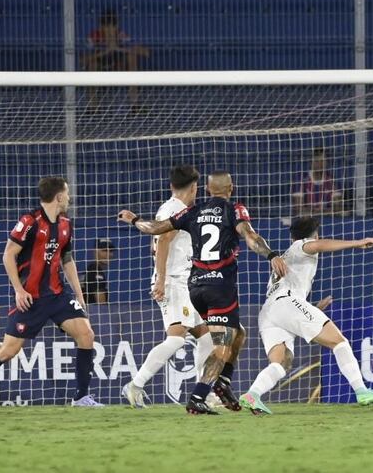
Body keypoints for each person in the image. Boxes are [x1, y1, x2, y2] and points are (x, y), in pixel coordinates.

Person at [118, 171, 287, 414]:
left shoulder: (191, 212)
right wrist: (271, 255)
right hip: (215, 286)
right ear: (231, 187)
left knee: (230, 334)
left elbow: (154, 229)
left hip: (194, 285)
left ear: (207, 190)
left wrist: (134, 220)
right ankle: (197, 396)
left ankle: (219, 385)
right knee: (217, 343)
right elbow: (250, 237)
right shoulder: (234, 209)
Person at [0, 177, 103, 409]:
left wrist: (79, 294)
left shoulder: (65, 225)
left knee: (86, 334)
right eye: (67, 193)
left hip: (57, 295)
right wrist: (19, 290)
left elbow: (67, 259)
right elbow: (8, 255)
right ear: (59, 196)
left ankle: (81, 397)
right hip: (31, 298)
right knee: (9, 351)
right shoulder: (30, 221)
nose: (69, 198)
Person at [239, 217, 373, 414]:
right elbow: (320, 245)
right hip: (286, 303)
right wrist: (357, 242)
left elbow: (288, 297)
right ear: (313, 235)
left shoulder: (286, 256)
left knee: (281, 362)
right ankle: (362, 391)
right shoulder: (299, 246)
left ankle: (252, 394)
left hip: (269, 312)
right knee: (339, 341)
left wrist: (312, 307)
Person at [121, 165, 213, 408]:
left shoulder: (172, 208)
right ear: (194, 187)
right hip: (173, 282)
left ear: (172, 186)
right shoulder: (175, 210)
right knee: (176, 340)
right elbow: (163, 241)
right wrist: (161, 279)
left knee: (206, 337)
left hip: (185, 282)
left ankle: (204, 394)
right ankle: (135, 385)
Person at [84, 9, 149, 109]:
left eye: (112, 26)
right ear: (101, 27)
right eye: (106, 27)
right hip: (100, 67)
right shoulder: (94, 36)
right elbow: (83, 60)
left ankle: (134, 104)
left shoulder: (121, 35)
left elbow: (145, 52)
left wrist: (118, 48)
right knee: (92, 65)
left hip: (118, 65)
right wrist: (105, 52)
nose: (109, 31)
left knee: (132, 58)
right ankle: (93, 106)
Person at [291, 148, 343, 217]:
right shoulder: (300, 179)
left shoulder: (333, 181)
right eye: (316, 161)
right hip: (306, 222)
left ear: (327, 163)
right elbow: (298, 209)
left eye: (322, 161)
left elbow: (337, 209)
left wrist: (313, 211)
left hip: (328, 221)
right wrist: (324, 211)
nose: (319, 164)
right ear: (311, 162)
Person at [80, 238, 115, 306]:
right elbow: (101, 305)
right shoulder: (95, 270)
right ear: (95, 252)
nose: (108, 254)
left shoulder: (90, 270)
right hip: (93, 314)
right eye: (104, 250)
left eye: (110, 251)